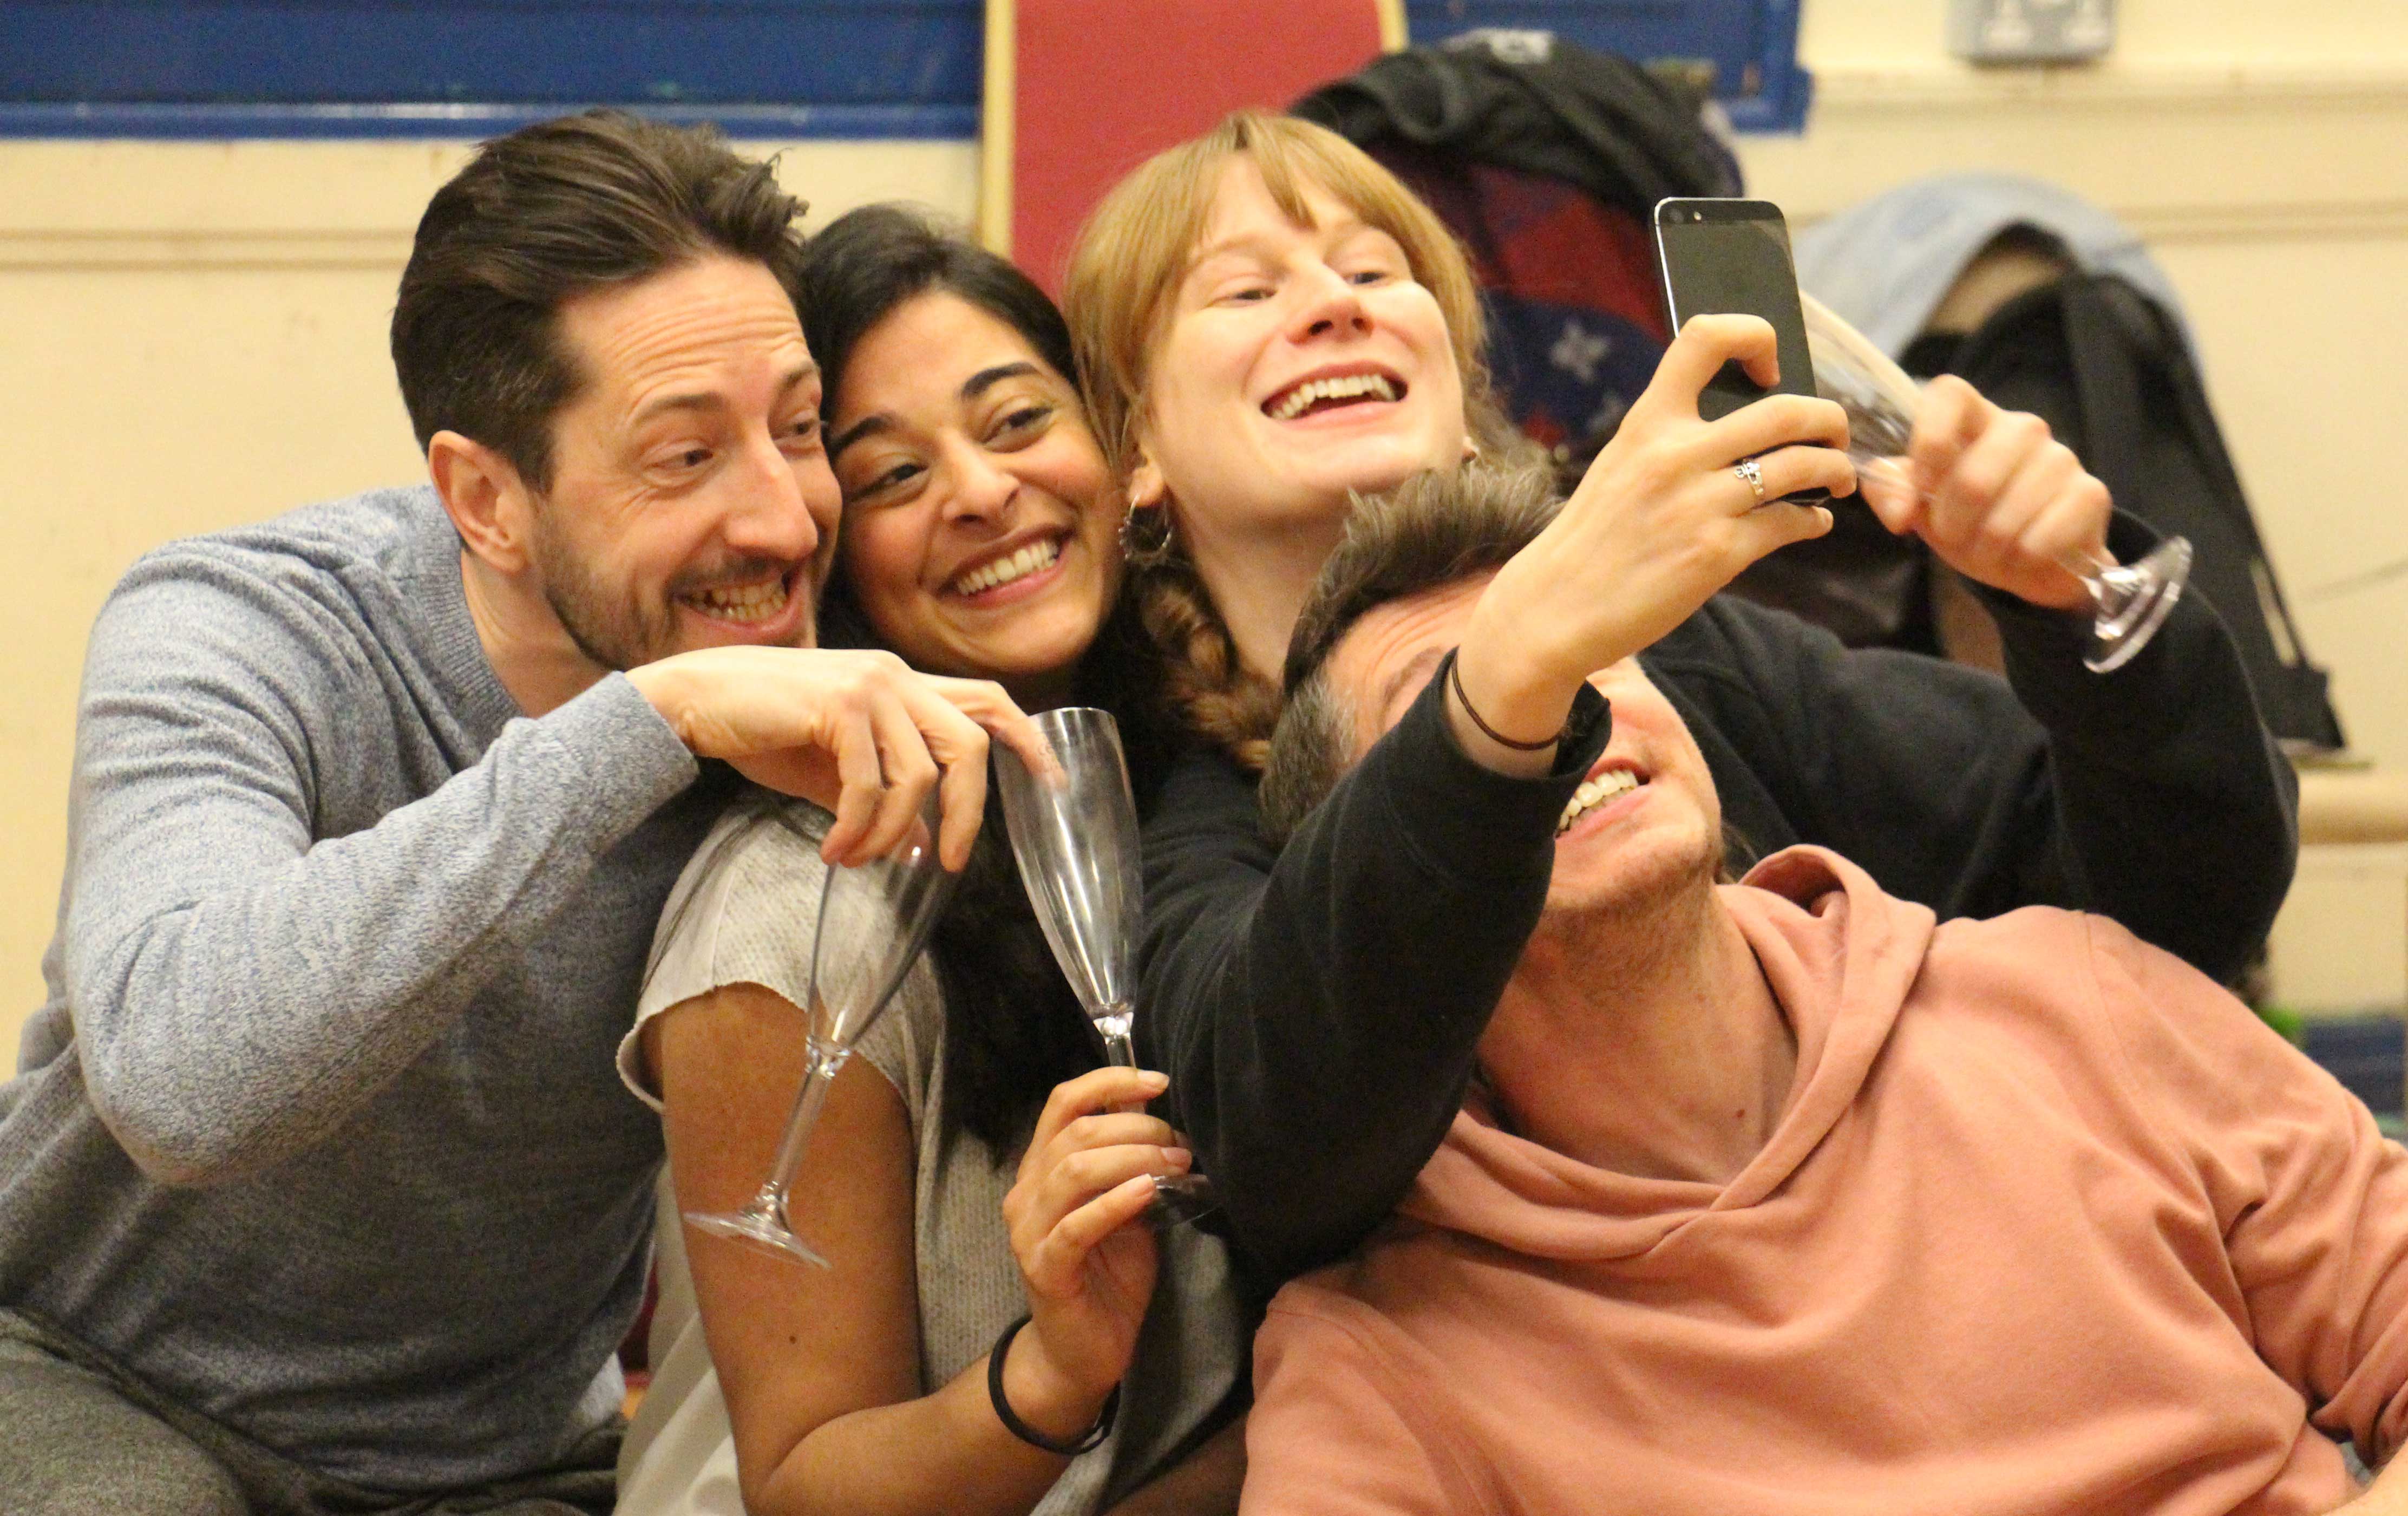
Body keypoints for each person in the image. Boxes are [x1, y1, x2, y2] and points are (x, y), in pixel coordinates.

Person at [1057, 110, 2300, 1292]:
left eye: (1374, 272)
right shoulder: (1179, 837)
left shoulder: (1695, 665)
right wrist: (1508, 673)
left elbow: (2181, 906)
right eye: (1245, 292)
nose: (1335, 305)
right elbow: (1283, 1152)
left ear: (1461, 386)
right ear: (1137, 452)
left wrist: (2072, 611)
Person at [0, 115, 1039, 1515]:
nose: (786, 521)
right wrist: (650, 725)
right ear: (485, 499)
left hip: (498, 1465)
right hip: (83, 1373)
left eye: (798, 431)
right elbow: (182, 1084)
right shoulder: (243, 627)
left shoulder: (818, 673)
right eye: (685, 456)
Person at [1239, 462, 2408, 1516]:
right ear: (1368, 888)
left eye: (1597, 654)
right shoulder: (1378, 1359)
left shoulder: (2070, 995)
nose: (1575, 712)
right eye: (1479, 702)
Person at [615, 206, 1244, 1516]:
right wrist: (1053, 1370)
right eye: (895, 475)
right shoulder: (795, 904)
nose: (979, 491)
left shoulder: (1206, 775)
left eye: (1016, 420)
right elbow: (804, 1487)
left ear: (1116, 445)